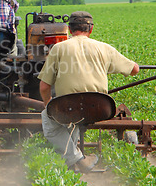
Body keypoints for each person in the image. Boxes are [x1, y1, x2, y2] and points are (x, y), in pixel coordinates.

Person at [37, 11, 139, 173]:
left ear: (69, 30)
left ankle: (76, 159)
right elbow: (134, 69)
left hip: (68, 108)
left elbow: (44, 87)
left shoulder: (58, 48)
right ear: (91, 29)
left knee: (49, 119)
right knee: (76, 116)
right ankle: (77, 159)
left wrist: (48, 105)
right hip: (101, 108)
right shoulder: (104, 48)